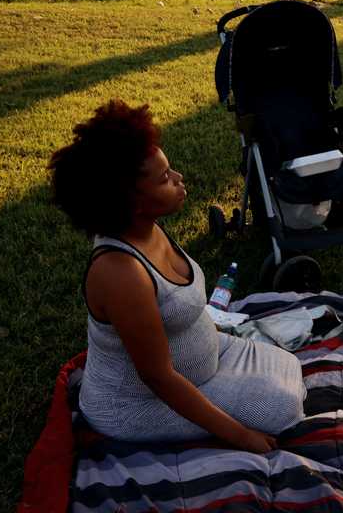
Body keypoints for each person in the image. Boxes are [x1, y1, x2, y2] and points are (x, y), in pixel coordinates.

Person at [48, 100, 305, 450]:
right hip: (140, 404)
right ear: (132, 201)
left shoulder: (145, 226)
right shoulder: (121, 274)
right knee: (282, 407)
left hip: (208, 361)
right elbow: (158, 378)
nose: (179, 179)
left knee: (288, 364)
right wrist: (241, 436)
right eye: (165, 178)